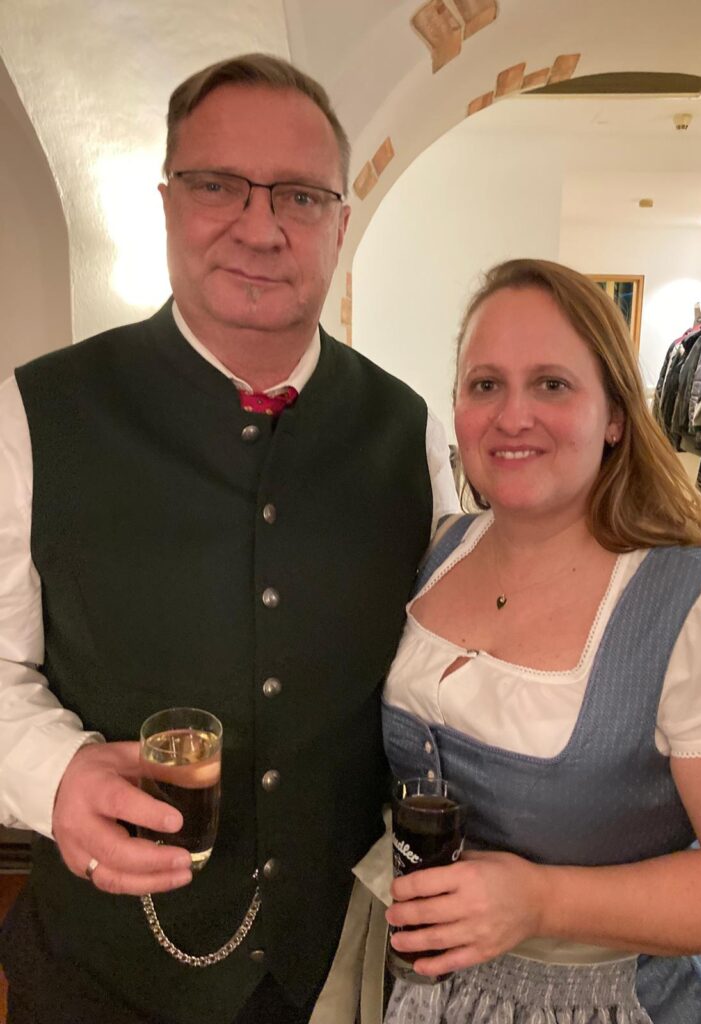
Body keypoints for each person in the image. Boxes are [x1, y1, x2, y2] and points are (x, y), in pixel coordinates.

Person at [0, 53, 458, 1024]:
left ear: (339, 223)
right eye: (217, 185)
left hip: (333, 968)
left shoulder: (410, 430)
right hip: (99, 975)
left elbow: (446, 670)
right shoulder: (33, 415)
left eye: (299, 195)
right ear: (168, 202)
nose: (259, 226)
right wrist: (55, 772)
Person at [378, 258, 701, 1023]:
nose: (512, 416)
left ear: (615, 415)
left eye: (552, 384)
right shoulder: (441, 550)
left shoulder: (698, 607)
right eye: (485, 384)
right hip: (426, 992)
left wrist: (543, 900)